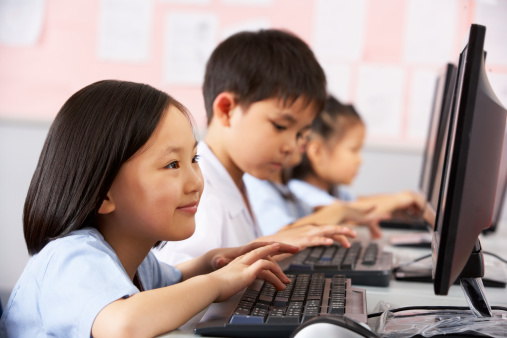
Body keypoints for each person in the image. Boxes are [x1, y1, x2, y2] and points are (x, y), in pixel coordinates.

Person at [0, 80, 301, 338]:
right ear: (103, 195)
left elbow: (174, 283)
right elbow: (123, 324)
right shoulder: (70, 257)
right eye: (172, 165)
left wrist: (213, 263)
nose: (195, 181)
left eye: (194, 159)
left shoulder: (134, 259)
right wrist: (216, 283)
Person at [154, 29, 357, 266]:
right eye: (280, 126)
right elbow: (174, 284)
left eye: (301, 134)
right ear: (227, 110)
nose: (291, 147)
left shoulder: (239, 181)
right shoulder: (200, 193)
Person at [288, 95, 421, 234]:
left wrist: (398, 207)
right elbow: (350, 211)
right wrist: (397, 200)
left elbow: (358, 202)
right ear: (317, 152)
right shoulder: (300, 190)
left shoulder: (333, 190)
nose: (360, 160)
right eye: (353, 149)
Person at [244, 128, 381, 238]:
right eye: (298, 132)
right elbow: (280, 237)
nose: (305, 138)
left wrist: (340, 216)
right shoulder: (257, 186)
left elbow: (312, 214)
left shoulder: (284, 188)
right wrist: (340, 211)